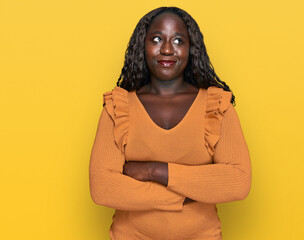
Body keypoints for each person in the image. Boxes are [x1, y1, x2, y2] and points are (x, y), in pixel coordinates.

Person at [89, 6, 252, 240]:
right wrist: (188, 194)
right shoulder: (118, 107)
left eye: (178, 40)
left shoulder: (216, 107)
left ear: (191, 48)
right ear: (141, 46)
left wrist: (154, 170)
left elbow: (238, 182)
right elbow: (103, 189)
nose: (167, 49)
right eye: (156, 39)